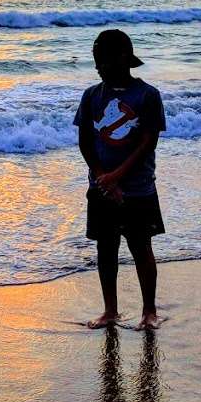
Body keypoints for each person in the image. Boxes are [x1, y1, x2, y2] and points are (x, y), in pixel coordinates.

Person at [73, 29, 166, 330]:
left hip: (137, 189)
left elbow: (147, 142)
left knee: (141, 249)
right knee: (106, 250)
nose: (98, 67)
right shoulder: (91, 96)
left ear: (124, 59)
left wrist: (118, 176)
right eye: (96, 61)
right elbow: (86, 142)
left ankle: (149, 311)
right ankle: (110, 309)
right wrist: (102, 177)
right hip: (101, 188)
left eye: (104, 60)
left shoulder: (147, 96)